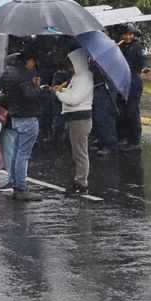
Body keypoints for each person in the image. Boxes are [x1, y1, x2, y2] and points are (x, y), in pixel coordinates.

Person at [0, 49, 43, 201]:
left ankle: (15, 182)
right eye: (33, 61)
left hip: (15, 117)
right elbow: (29, 95)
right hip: (27, 117)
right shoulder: (24, 74)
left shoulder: (7, 74)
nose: (34, 64)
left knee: (18, 152)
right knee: (23, 154)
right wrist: (38, 88)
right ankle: (21, 187)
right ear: (27, 61)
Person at [53, 48, 93, 195]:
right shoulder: (77, 77)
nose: (70, 66)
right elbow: (72, 94)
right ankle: (78, 179)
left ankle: (81, 183)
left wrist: (58, 94)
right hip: (74, 118)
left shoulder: (85, 77)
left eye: (72, 63)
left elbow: (74, 99)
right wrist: (63, 91)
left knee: (80, 152)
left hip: (80, 119)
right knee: (76, 152)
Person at [118, 24, 149, 151]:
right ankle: (124, 137)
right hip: (122, 81)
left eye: (130, 34)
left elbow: (144, 59)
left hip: (134, 81)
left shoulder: (138, 46)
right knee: (122, 110)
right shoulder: (120, 46)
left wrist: (145, 67)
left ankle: (135, 141)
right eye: (125, 34)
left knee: (132, 111)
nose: (128, 37)